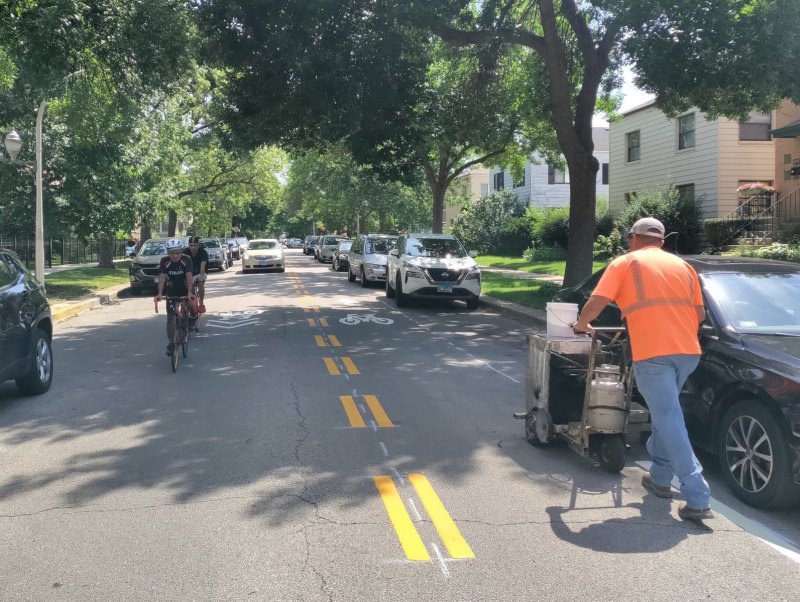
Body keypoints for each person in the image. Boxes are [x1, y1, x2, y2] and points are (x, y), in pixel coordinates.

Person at [572, 217, 713, 521]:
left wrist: (582, 324)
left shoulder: (626, 262)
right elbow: (699, 313)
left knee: (669, 418)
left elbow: (598, 299)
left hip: (654, 353)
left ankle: (698, 495)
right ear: (661, 241)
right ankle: (661, 477)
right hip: (688, 352)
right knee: (666, 414)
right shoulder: (684, 267)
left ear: (634, 238)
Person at [156, 238, 195, 356]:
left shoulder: (186, 260)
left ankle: (190, 319)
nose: (174, 255)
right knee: (171, 317)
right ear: (168, 253)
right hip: (172, 288)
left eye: (177, 253)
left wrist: (189, 292)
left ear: (181, 252)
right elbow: (162, 277)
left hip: (185, 286)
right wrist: (159, 293)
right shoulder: (164, 261)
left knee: (190, 303)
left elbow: (188, 275)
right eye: (172, 253)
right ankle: (171, 342)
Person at [184, 236, 209, 316]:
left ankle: (201, 302)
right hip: (189, 273)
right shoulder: (185, 252)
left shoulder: (203, 252)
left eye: (195, 245)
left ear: (198, 245)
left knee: (200, 283)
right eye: (191, 245)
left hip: (200, 272)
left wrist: (200, 277)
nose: (193, 247)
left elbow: (202, 266)